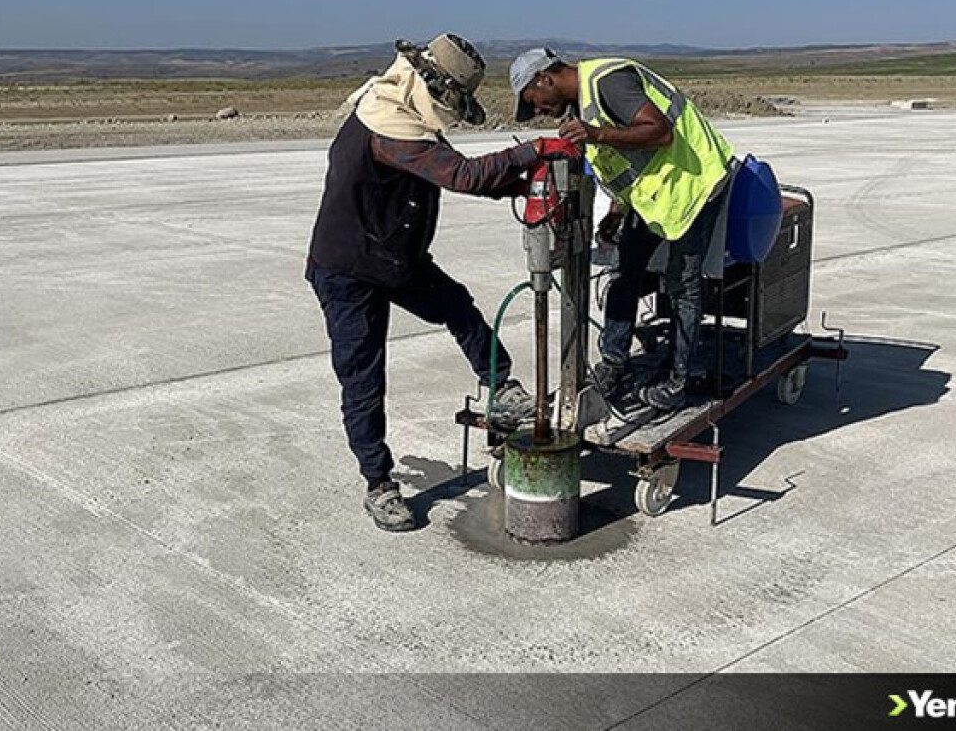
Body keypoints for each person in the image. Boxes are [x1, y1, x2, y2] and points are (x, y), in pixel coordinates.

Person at [308, 34, 580, 532]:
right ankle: (379, 484)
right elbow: (460, 175)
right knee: (364, 378)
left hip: (395, 256)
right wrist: (533, 152)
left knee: (456, 307)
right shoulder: (387, 124)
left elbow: (455, 173)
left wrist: (516, 187)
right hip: (349, 270)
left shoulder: (408, 116)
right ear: (429, 84)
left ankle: (501, 385)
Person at [510, 48, 734, 413]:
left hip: (695, 182)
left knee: (683, 283)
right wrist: (617, 209)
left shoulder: (607, 81)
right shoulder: (585, 107)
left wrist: (596, 134)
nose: (539, 110)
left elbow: (659, 132)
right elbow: (626, 161)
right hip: (656, 194)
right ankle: (613, 364)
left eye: (533, 102)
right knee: (625, 271)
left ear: (543, 78)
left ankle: (679, 381)